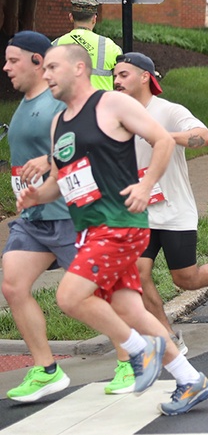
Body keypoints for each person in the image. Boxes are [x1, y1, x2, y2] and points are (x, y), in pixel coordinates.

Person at [18, 44, 208, 415]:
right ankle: (191, 381)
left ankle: (141, 354)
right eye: (43, 69)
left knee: (70, 297)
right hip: (90, 228)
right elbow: (62, 180)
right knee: (130, 309)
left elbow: (160, 140)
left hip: (120, 224)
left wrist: (146, 185)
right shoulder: (59, 122)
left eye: (52, 68)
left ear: (79, 69)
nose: (45, 75)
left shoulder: (111, 104)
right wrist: (35, 196)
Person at [114, 52, 208, 356]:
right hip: (138, 212)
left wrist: (163, 136)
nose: (116, 81)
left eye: (123, 74)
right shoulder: (114, 115)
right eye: (114, 75)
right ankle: (167, 338)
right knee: (137, 273)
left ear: (145, 77)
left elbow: (203, 136)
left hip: (173, 209)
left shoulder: (166, 111)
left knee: (186, 278)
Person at [2, 32, 77, 402]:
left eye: (13, 60)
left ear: (37, 61)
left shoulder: (56, 103)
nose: (6, 68)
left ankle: (138, 353)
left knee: (98, 294)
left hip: (66, 214)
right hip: (33, 218)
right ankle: (47, 369)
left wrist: (49, 162)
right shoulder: (26, 103)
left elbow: (82, 142)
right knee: (13, 286)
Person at [52, 0, 123, 92]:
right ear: (94, 19)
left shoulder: (55, 45)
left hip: (65, 104)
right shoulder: (109, 46)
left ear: (71, 17)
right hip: (100, 103)